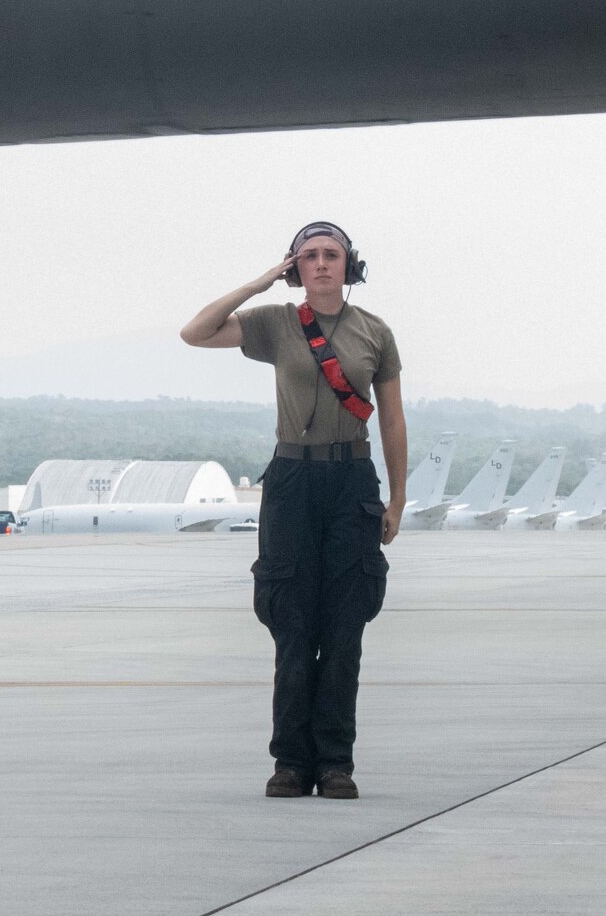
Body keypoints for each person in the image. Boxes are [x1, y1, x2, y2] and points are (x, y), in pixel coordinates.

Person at [180, 221, 405, 800]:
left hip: (351, 476)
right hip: (291, 479)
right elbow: (195, 332)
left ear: (349, 265)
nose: (322, 264)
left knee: (345, 627)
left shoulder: (374, 332)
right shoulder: (277, 325)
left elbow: (393, 419)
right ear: (294, 267)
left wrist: (397, 498)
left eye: (332, 255)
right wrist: (260, 283)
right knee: (291, 625)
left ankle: (335, 763)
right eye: (309, 257)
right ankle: (290, 762)